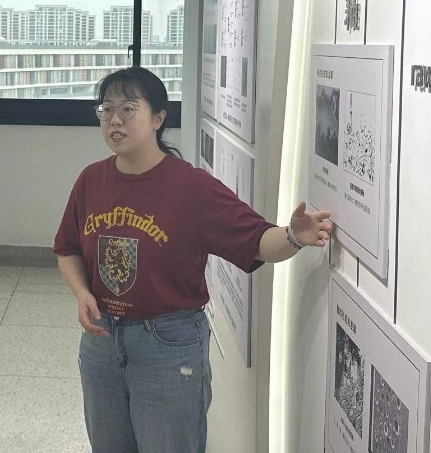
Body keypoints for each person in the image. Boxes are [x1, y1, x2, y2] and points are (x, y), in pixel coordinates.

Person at [53, 67, 332, 453]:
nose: (115, 119)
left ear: (158, 119)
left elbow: (256, 240)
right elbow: (67, 248)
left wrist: (293, 236)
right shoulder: (91, 180)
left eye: (128, 108)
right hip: (101, 338)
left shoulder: (190, 186)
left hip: (167, 344)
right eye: (107, 109)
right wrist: (81, 292)